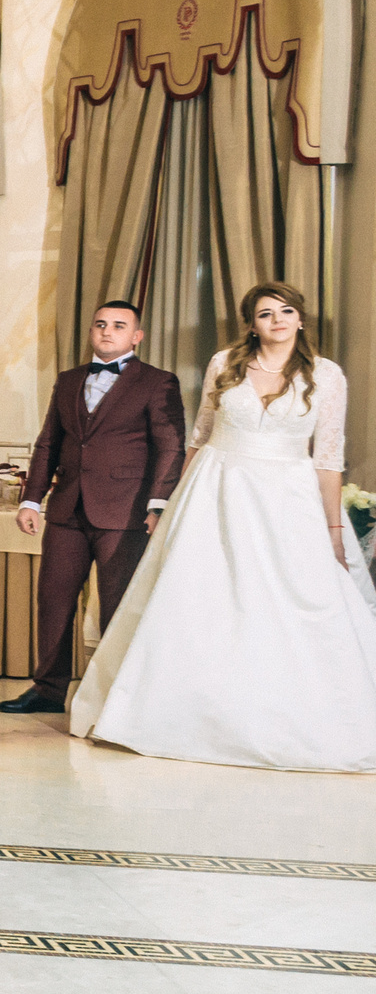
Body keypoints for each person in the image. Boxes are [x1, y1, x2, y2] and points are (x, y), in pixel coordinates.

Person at [70, 281, 376, 771]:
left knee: (294, 604)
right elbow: (200, 438)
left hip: (288, 502)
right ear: (251, 324)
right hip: (216, 494)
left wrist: (334, 533)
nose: (276, 320)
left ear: (300, 319)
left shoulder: (327, 375)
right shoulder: (224, 364)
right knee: (202, 600)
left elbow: (328, 458)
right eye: (264, 313)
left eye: (285, 311)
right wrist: (172, 507)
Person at [1, 300, 186, 714]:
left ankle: (116, 695)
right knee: (53, 600)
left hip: (127, 512)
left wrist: (158, 504)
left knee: (118, 603)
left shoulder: (158, 382)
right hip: (67, 510)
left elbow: (170, 446)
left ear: (136, 336)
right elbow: (49, 442)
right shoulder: (68, 380)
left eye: (119, 326)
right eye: (100, 324)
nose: (107, 331)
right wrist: (32, 499)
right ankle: (47, 690)